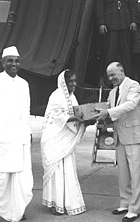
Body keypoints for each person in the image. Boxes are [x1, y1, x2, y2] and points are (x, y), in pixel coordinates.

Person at [0, 46, 33, 222]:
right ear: (3, 62)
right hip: (0, 137)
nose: (14, 64)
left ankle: (16, 210)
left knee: (19, 177)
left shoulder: (23, 84)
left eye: (17, 61)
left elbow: (25, 111)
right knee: (1, 176)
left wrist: (29, 133)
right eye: (10, 60)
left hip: (20, 138)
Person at [93, 62, 140, 222]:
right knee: (123, 173)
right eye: (109, 75)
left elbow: (130, 105)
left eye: (113, 74)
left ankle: (135, 209)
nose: (111, 78)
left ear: (122, 71)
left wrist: (107, 112)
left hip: (134, 135)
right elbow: (107, 108)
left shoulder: (134, 85)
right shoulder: (113, 92)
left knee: (136, 173)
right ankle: (125, 203)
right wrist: (89, 114)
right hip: (120, 136)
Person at [41, 69, 86, 216]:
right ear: (64, 83)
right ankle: (56, 203)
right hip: (55, 139)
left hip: (66, 142)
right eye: (70, 81)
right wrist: (76, 119)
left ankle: (68, 202)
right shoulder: (56, 96)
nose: (73, 84)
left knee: (67, 170)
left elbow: (78, 115)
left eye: (74, 81)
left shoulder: (73, 98)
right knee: (57, 171)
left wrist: (86, 121)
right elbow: (55, 116)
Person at [95, 0, 137, 87]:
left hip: (125, 23)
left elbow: (133, 5)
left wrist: (133, 20)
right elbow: (99, 5)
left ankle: (127, 81)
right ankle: (107, 80)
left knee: (126, 55)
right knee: (110, 54)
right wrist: (101, 23)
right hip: (110, 24)